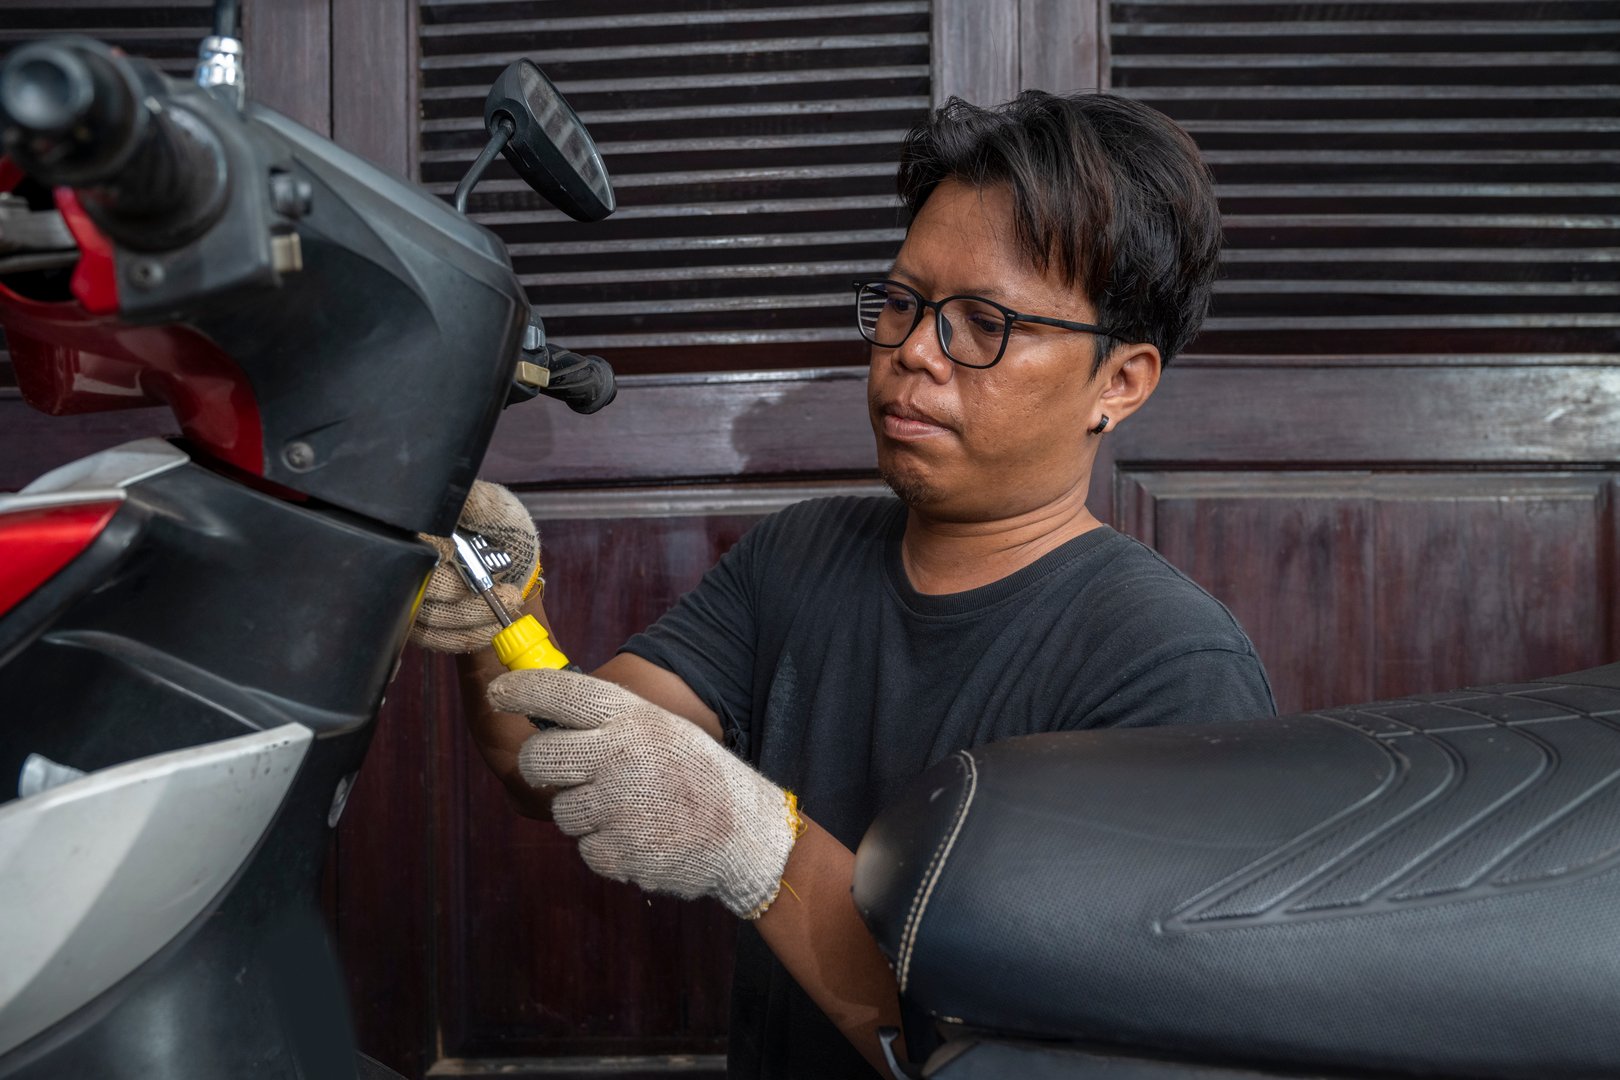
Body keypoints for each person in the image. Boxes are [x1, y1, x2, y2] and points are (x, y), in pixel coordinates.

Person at [410, 90, 1277, 1079]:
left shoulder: (1169, 669)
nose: (913, 350)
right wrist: (498, 610)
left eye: (983, 324)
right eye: (904, 304)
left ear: (1119, 382)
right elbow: (545, 757)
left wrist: (760, 848)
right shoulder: (803, 556)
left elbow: (1043, 1060)